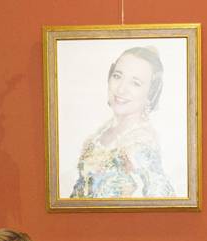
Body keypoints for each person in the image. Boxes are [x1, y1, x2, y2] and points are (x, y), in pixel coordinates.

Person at [70, 45, 174, 198]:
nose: (121, 89)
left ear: (151, 93)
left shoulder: (140, 144)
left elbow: (162, 196)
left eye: (135, 83)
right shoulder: (102, 132)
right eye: (117, 76)